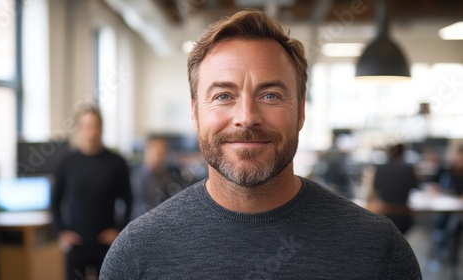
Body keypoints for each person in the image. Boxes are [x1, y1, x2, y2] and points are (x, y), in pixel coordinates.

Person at [100, 9, 421, 279]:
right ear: (195, 114)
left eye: (270, 95)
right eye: (223, 96)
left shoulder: (378, 249)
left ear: (301, 112)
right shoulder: (137, 253)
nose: (247, 117)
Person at [52, 104, 133, 280]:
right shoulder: (67, 163)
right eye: (87, 126)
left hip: (106, 243)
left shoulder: (116, 162)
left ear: (101, 128)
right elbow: (54, 200)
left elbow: (128, 199)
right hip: (76, 244)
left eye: (96, 126)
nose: (92, 131)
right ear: (79, 129)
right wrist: (61, 231)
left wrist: (119, 230)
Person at [130, 135, 185, 219]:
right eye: (157, 151)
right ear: (147, 151)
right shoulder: (138, 177)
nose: (160, 155)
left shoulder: (171, 175)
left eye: (163, 152)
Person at [370, 144, 418, 234]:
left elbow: (375, 190)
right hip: (404, 215)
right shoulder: (408, 169)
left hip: (384, 214)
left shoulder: (380, 169)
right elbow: (414, 187)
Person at [431, 146, 463, 264]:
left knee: (454, 223)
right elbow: (434, 184)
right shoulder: (446, 170)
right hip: (444, 205)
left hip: (458, 209)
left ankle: (450, 253)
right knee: (445, 221)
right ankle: (443, 247)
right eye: (458, 158)